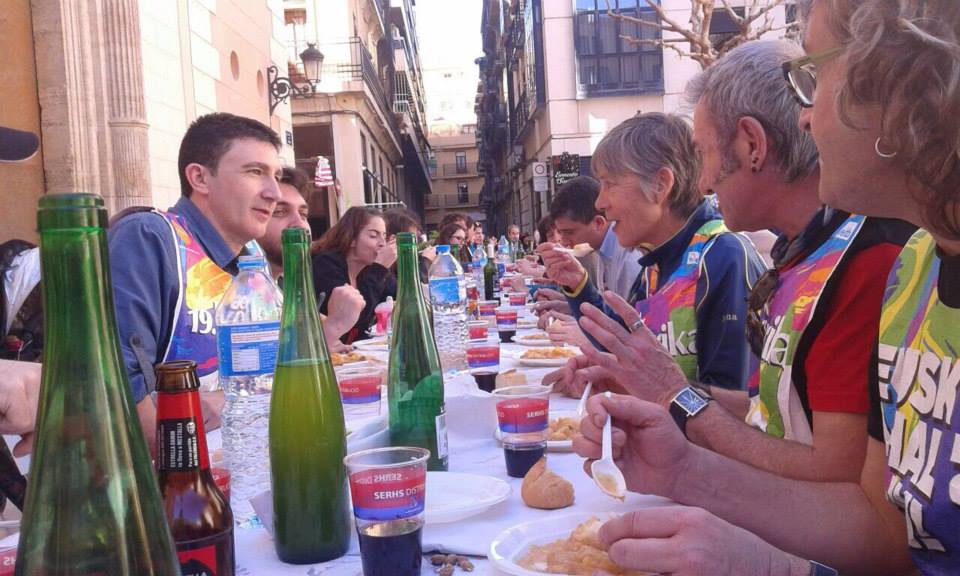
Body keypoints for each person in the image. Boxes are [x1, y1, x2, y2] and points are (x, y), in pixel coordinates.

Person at [573, 1, 959, 573]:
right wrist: (684, 467)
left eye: (816, 74)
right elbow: (885, 527)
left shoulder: (876, 257)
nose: (803, 117)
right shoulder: (917, 266)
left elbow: (834, 472)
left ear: (908, 79)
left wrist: (680, 399)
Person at [556, 40, 915, 483]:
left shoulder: (865, 258)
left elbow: (836, 477)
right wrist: (654, 389)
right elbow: (769, 416)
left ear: (752, 145)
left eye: (704, 153)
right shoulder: (800, 254)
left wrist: (678, 411)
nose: (702, 182)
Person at [541, 113, 767, 390]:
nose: (600, 202)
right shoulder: (656, 261)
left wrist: (622, 382)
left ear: (661, 185)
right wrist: (579, 287)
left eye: (609, 183)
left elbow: (736, 404)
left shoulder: (723, 256)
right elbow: (626, 343)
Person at [109, 113, 283, 448]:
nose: (273, 193)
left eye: (275, 176)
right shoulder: (150, 237)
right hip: (173, 480)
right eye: (255, 172)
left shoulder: (251, 259)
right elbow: (117, 390)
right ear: (199, 178)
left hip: (245, 455)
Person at [259, 167, 364, 348]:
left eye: (303, 214)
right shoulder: (238, 290)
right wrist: (333, 326)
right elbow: (273, 365)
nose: (300, 224)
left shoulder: (283, 285)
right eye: (279, 212)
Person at [311, 206, 397, 343]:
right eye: (373, 236)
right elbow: (356, 318)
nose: (382, 243)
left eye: (384, 237)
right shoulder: (326, 264)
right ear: (352, 239)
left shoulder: (366, 270)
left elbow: (399, 296)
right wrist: (379, 268)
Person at [549, 175, 642, 299]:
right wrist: (569, 306)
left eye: (570, 232)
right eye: (561, 233)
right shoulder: (602, 247)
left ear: (599, 223)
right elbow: (607, 311)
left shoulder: (628, 256)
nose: (564, 242)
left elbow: (625, 316)